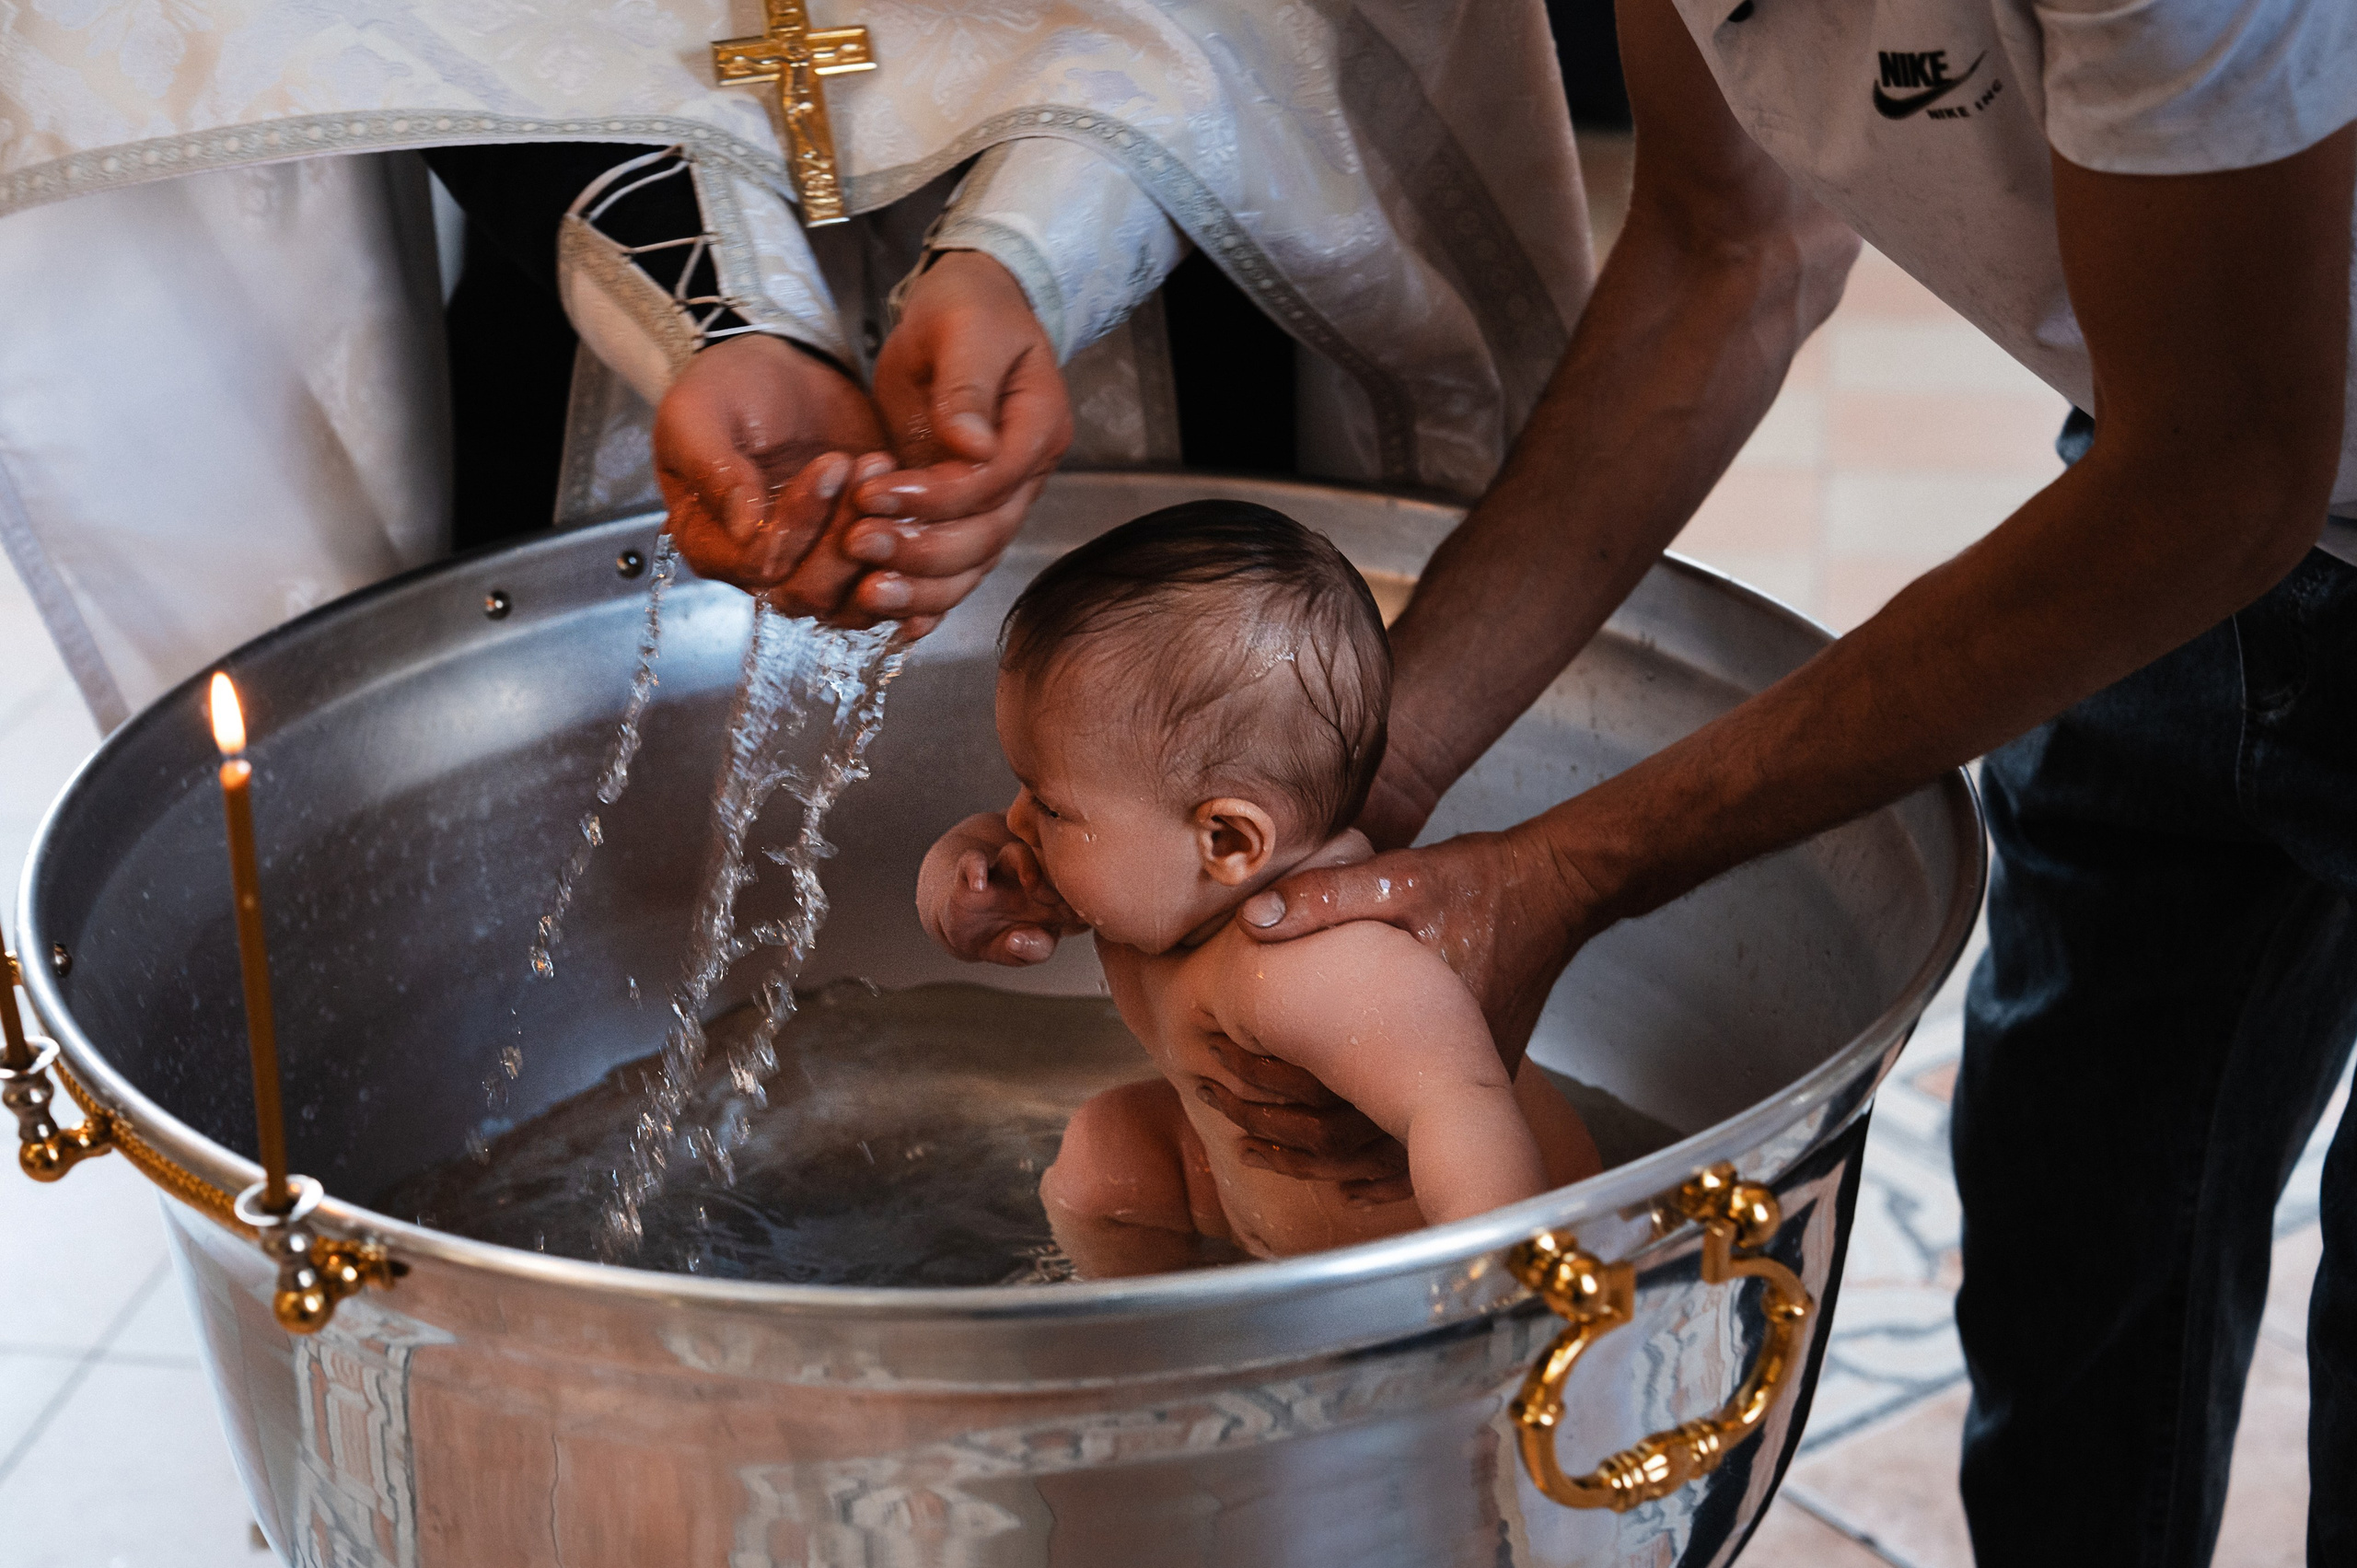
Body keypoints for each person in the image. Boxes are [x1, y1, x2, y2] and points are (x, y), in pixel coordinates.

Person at [935, 2, 2357, 1561]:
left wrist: (1485, 1307)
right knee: (2084, 1196)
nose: (1022, 820)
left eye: (1047, 801)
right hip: (2193, 488)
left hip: (2235, 462)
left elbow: (2225, 468)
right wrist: (1364, 765)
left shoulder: (1323, 973)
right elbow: (1726, 247)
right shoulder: (1194, 893)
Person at [0, 3, 1593, 723]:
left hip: (1182, 288)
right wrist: (714, 302)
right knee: (568, 994)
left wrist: (1032, 247)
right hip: (582, 305)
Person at [916, 501, 1598, 1278]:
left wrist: (1493, 1287)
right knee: (1110, 1152)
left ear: (1228, 841)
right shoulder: (1163, 883)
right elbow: (998, 852)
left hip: (1394, 1266)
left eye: (1050, 806)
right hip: (1257, 1215)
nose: (1014, 821)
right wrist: (961, 878)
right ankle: (1145, 1333)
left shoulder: (1313, 959)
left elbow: (1463, 1101)